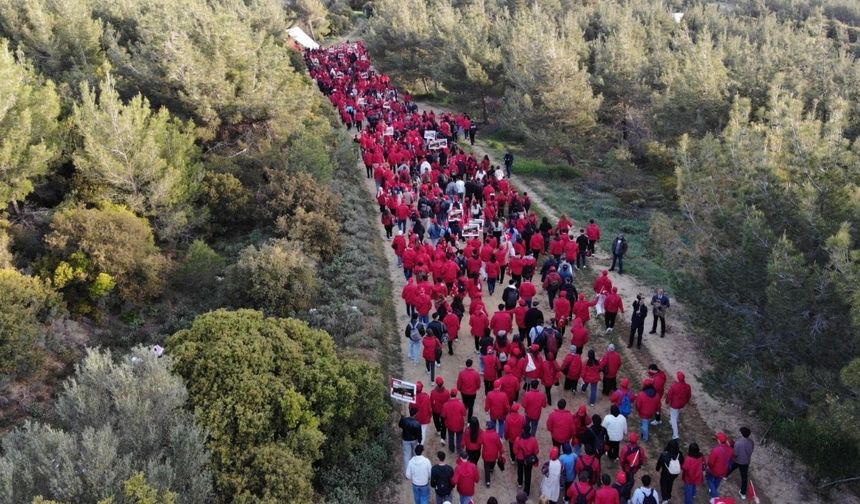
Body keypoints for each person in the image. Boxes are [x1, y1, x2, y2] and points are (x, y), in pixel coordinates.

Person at [729, 427, 755, 500]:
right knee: (744, 478)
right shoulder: (751, 442)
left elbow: (735, 453)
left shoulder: (738, 442)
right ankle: (743, 493)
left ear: (741, 434)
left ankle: (725, 475)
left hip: (738, 460)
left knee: (732, 467)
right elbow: (751, 451)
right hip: (746, 462)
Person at [706, 432, 734, 500]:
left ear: (719, 440)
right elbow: (731, 459)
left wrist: (708, 467)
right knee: (717, 481)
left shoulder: (716, 450)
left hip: (714, 470)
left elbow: (710, 462)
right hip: (724, 470)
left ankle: (715, 496)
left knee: (709, 479)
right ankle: (713, 491)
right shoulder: (731, 450)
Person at [514, 425, 540, 496]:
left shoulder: (518, 439)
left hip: (520, 458)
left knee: (520, 470)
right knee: (528, 474)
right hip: (529, 459)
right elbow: (536, 451)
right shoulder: (533, 440)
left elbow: (515, 451)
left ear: (523, 430)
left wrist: (517, 454)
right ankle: (527, 490)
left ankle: (520, 482)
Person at [666, 371, 692, 440]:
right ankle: (676, 420)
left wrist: (667, 401)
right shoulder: (687, 386)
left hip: (674, 404)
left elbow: (669, 395)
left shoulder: (674, 386)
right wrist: (686, 401)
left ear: (678, 378)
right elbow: (689, 395)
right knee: (677, 412)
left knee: (673, 418)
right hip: (682, 404)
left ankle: (675, 434)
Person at [655, 438, 683, 503]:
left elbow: (659, 463)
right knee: (670, 483)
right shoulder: (679, 454)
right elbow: (682, 461)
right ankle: (668, 495)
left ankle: (665, 499)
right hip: (674, 473)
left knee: (663, 484)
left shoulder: (664, 455)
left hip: (665, 473)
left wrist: (657, 469)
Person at [481, 420, 504, 487]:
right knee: (493, 461)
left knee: (486, 467)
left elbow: (481, 442)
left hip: (486, 453)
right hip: (494, 453)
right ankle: (491, 468)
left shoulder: (484, 434)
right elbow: (499, 445)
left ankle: (487, 481)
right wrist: (501, 451)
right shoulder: (496, 435)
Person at [400, 410, 423, 474]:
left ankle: (407, 473)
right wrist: (420, 442)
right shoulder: (417, 423)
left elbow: (400, 425)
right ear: (415, 414)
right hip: (414, 440)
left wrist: (402, 417)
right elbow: (419, 434)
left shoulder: (404, 420)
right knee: (415, 455)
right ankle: (415, 470)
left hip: (405, 440)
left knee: (406, 455)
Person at [431, 377, 449, 442]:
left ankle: (438, 430)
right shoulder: (447, 393)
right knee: (444, 423)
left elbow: (431, 401)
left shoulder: (433, 392)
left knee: (436, 420)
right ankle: (443, 437)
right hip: (443, 411)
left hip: (436, 410)